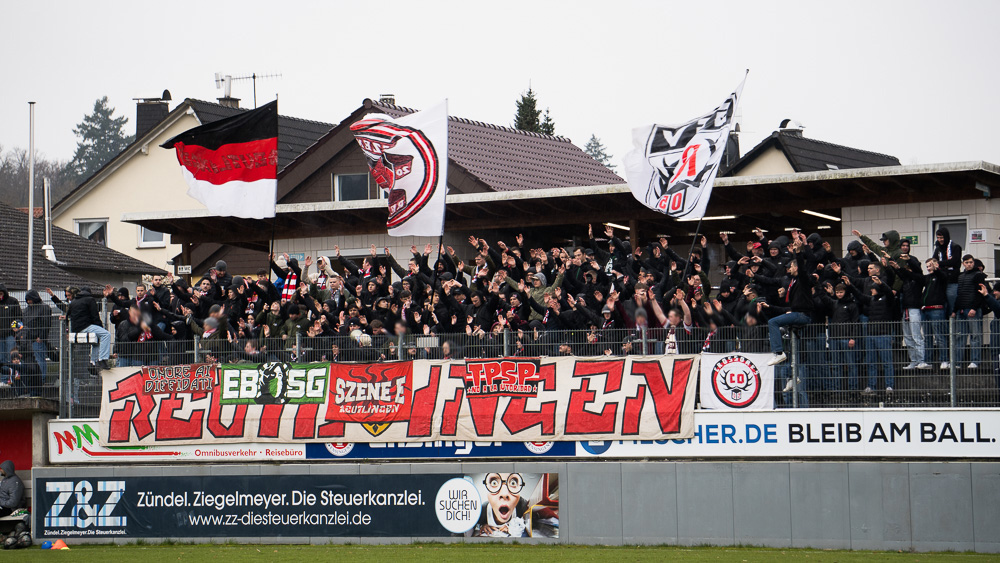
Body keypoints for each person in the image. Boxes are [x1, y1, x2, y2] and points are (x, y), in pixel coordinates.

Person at [765, 232, 814, 366]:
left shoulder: (802, 279)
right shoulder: (793, 280)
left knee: (773, 322)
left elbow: (802, 267)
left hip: (802, 314)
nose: (788, 269)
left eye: (791, 267)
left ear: (796, 268)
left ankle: (778, 353)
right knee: (785, 332)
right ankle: (791, 371)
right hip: (796, 312)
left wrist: (798, 252)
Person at [48, 287, 112, 371]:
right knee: (106, 334)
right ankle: (102, 359)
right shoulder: (90, 299)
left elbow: (68, 315)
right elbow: (95, 315)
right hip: (86, 326)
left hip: (75, 329)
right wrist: (100, 328)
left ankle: (92, 362)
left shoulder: (74, 302)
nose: (68, 297)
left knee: (97, 341)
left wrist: (68, 331)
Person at [471, 472, 530, 537]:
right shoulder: (483, 510)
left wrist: (512, 528)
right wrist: (483, 525)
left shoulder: (522, 506)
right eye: (494, 483)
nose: (504, 494)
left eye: (513, 483)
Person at [953, 254, 987, 369]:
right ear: (963, 263)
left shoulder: (978, 275)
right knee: (960, 337)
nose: (969, 264)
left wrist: (974, 308)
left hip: (973, 310)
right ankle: (957, 363)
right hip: (961, 310)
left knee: (975, 336)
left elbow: (980, 294)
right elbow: (959, 294)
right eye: (967, 262)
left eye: (971, 262)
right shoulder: (960, 276)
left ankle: (975, 361)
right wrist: (955, 310)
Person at [20, 290, 52, 375]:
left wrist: (41, 337)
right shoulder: (27, 310)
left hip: (37, 339)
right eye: (27, 300)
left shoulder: (44, 308)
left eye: (30, 299)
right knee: (30, 360)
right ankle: (33, 379)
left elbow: (46, 323)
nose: (28, 301)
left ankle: (41, 378)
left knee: (39, 359)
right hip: (28, 339)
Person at [0, 284, 21, 365]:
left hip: (10, 334)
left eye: (1, 294)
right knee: (1, 358)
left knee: (12, 356)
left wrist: (15, 329)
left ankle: (13, 372)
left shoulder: (13, 301)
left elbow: (19, 317)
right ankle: (4, 373)